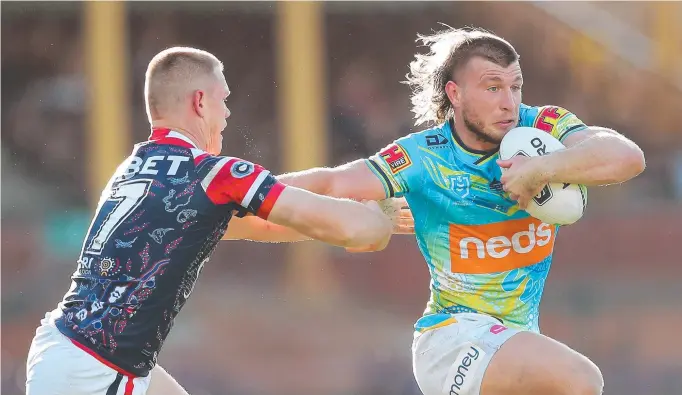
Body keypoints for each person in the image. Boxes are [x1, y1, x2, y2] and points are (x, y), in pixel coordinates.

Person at [276, 27, 646, 395]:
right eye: (492, 87)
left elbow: (627, 157)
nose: (509, 102)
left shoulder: (542, 129)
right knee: (580, 380)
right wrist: (248, 188)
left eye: (515, 86)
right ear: (455, 94)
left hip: (515, 339)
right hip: (451, 338)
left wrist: (540, 168)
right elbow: (332, 184)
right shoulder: (423, 155)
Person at [25, 46, 406, 395]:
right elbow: (362, 232)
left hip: (66, 347)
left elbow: (265, 221)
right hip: (98, 371)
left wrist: (353, 197)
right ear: (199, 101)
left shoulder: (135, 168)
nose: (226, 114)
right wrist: (376, 217)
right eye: (224, 100)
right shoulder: (214, 174)